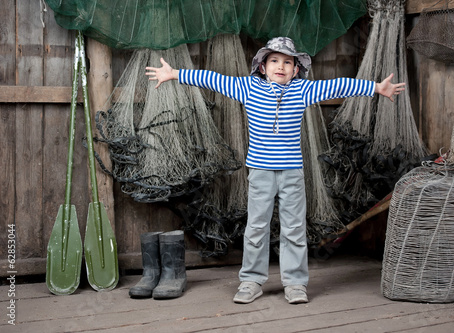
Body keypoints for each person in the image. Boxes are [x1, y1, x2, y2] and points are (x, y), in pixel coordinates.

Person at [146, 36, 405, 304]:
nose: (280, 66)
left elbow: (338, 86)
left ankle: (294, 283)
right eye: (274, 61)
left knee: (293, 228)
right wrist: (175, 74)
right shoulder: (247, 87)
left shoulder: (303, 90)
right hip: (260, 171)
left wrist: (375, 87)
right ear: (262, 66)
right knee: (257, 226)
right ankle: (251, 281)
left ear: (295, 69)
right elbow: (212, 79)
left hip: (291, 172)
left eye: (287, 62)